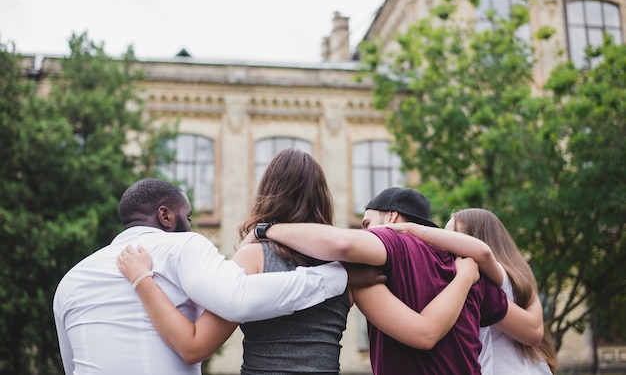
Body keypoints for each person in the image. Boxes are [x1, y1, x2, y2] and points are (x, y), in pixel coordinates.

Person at [117, 151, 480, 373]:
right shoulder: (351, 271)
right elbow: (421, 332)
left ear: (266, 194)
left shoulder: (252, 255)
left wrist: (142, 280)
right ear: (322, 200)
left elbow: (194, 346)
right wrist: (464, 277)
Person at [53, 177, 353, 375]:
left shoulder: (71, 280)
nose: (192, 226)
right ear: (166, 216)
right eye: (189, 216)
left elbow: (72, 365)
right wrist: (337, 277)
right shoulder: (183, 246)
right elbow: (238, 298)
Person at [247, 187, 545, 374]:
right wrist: (466, 277)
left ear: (391, 219)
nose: (364, 231)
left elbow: (342, 245)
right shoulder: (468, 266)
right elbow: (531, 330)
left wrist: (265, 230)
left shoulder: (384, 251)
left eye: (367, 224)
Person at [427, 208, 558, 374]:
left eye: (452, 239)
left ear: (476, 240)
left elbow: (483, 253)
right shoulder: (513, 278)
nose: (445, 250)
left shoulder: (501, 277)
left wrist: (412, 229)